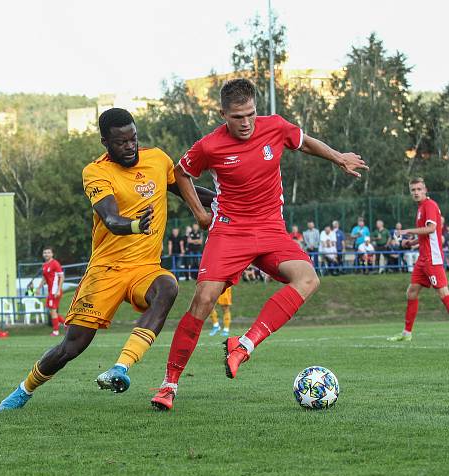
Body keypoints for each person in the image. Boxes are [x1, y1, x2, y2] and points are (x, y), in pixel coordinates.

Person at [150, 78, 368, 411]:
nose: (246, 122)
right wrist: (199, 213)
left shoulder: (275, 127)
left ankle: (244, 345)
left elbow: (304, 142)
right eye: (238, 116)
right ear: (223, 113)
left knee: (308, 279)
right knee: (204, 299)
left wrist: (339, 158)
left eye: (251, 114)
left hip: (270, 229)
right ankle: (169, 385)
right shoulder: (209, 146)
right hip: (229, 231)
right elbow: (181, 173)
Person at [0, 108, 214, 411]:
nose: (130, 147)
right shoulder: (96, 172)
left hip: (145, 268)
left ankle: (120, 368)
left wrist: (226, 199)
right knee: (72, 347)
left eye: (133, 139)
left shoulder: (158, 160)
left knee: (168, 288)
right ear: (105, 142)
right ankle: (25, 388)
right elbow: (111, 218)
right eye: (121, 142)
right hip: (105, 271)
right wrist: (137, 224)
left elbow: (187, 190)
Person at [388, 177, 449, 341]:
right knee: (411, 292)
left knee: (443, 293)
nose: (416, 192)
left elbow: (432, 228)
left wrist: (407, 232)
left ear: (425, 190)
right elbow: (427, 235)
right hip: (423, 258)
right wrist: (412, 242)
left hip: (432, 258)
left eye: (419, 189)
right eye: (413, 190)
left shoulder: (429, 205)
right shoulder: (421, 208)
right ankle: (406, 333)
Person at [35, 247, 64, 336]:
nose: (46, 254)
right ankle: (67, 324)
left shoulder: (55, 264)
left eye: (48, 252)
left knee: (53, 311)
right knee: (52, 311)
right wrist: (39, 288)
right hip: (50, 291)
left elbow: (62, 277)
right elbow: (44, 278)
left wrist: (58, 290)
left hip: (55, 291)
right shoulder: (44, 265)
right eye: (45, 253)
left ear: (52, 254)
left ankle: (56, 331)